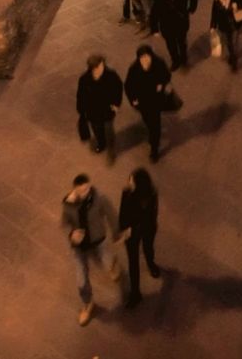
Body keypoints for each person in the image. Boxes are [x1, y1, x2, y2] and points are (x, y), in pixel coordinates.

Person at [62, 172, 121, 326]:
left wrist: (116, 232)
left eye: (87, 189)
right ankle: (88, 304)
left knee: (106, 259)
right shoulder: (68, 204)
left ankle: (113, 266)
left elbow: (111, 215)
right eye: (81, 191)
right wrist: (71, 234)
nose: (85, 193)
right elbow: (65, 223)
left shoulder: (99, 199)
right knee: (81, 280)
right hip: (79, 246)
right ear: (74, 189)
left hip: (97, 239)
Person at [118, 168, 161, 308]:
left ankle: (151, 264)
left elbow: (150, 218)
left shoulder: (151, 197)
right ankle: (135, 293)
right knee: (133, 262)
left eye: (132, 180)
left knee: (148, 248)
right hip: (131, 234)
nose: (128, 181)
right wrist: (123, 230)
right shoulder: (127, 193)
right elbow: (122, 214)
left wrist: (135, 228)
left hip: (145, 230)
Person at [125, 44, 171, 162]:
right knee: (148, 120)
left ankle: (154, 149)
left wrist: (161, 83)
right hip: (143, 102)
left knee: (155, 125)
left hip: (155, 101)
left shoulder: (158, 63)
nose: (145, 60)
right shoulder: (134, 69)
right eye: (142, 58)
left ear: (151, 56)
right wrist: (133, 99)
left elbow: (166, 75)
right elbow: (128, 86)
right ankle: (152, 133)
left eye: (147, 57)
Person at [76, 55, 122, 161]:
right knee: (97, 129)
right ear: (93, 68)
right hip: (93, 111)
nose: (102, 68)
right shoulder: (84, 79)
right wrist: (81, 110)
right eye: (100, 66)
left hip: (107, 109)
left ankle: (111, 148)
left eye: (102, 65)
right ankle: (101, 143)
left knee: (109, 128)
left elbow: (118, 88)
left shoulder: (111, 75)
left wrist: (116, 104)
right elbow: (80, 95)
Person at [150, 0, 199, 70]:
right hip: (167, 27)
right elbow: (154, 15)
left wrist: (192, 8)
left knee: (182, 43)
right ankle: (175, 61)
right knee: (171, 45)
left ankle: (184, 59)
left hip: (181, 24)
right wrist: (155, 29)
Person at [210, 0, 242, 71]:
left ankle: (233, 62)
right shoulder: (216, 0)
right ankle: (232, 56)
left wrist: (236, 7)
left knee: (232, 44)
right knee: (227, 42)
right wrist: (212, 26)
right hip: (222, 26)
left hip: (233, 26)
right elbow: (214, 13)